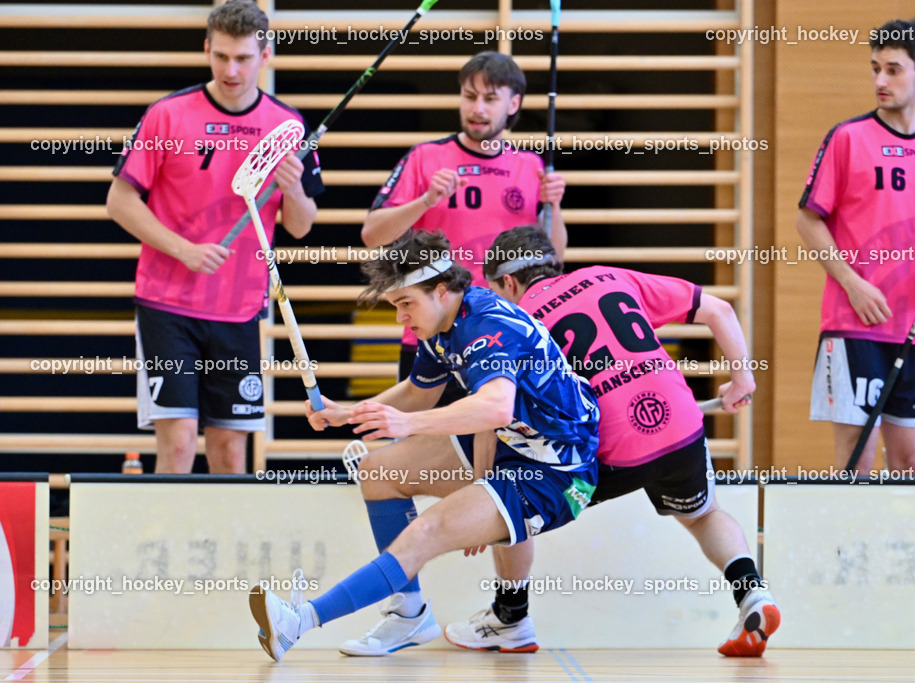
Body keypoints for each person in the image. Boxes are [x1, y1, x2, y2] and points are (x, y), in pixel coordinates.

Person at [247, 230, 600, 661]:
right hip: (513, 443)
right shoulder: (443, 324)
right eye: (395, 306)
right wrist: (351, 414)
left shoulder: (488, 326)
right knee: (379, 472)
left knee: (425, 533)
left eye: (405, 304)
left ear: (441, 290)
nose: (400, 318)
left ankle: (299, 622)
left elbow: (495, 407)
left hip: (557, 471)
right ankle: (407, 614)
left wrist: (409, 425)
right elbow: (419, 392)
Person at [437, 226, 776, 657]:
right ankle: (752, 593)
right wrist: (742, 379)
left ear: (508, 282)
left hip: (613, 447)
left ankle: (511, 617)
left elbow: (492, 418)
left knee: (514, 490)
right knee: (704, 514)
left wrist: (484, 493)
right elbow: (719, 310)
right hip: (680, 423)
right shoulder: (609, 276)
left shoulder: (514, 323)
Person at [105, 0, 323, 474]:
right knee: (179, 441)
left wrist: (292, 188)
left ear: (265, 55)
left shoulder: (287, 126)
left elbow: (300, 225)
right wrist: (183, 250)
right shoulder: (167, 115)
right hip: (167, 304)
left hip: (238, 308)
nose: (231, 70)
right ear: (206, 49)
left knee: (230, 450)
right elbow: (119, 201)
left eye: (243, 58)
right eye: (221, 56)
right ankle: (167, 527)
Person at [796, 17, 915, 476]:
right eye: (876, 68)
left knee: (911, 463)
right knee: (857, 460)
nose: (880, 81)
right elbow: (808, 220)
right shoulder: (847, 138)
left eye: (893, 70)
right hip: (854, 326)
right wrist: (852, 283)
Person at [360, 50, 567, 386]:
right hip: (432, 332)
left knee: (494, 421)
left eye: (490, 99)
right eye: (470, 97)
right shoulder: (425, 157)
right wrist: (426, 201)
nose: (477, 108)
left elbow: (553, 258)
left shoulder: (529, 166)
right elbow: (372, 235)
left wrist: (554, 206)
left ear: (513, 104)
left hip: (502, 332)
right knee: (421, 420)